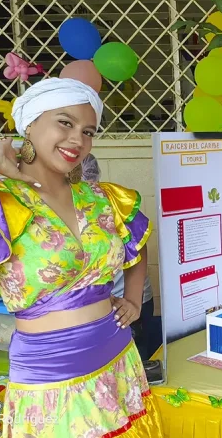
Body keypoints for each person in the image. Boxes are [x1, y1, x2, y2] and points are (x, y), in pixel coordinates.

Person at [0, 78, 163, 436]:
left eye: (88, 132)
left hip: (116, 353)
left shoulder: (101, 197)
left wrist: (133, 298)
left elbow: (136, 240)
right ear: (30, 123)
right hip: (49, 371)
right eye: (65, 123)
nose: (78, 140)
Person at [82, 153, 163, 360]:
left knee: (135, 363)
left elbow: (138, 244)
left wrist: (132, 301)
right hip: (83, 310)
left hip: (123, 302)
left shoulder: (108, 201)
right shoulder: (43, 208)